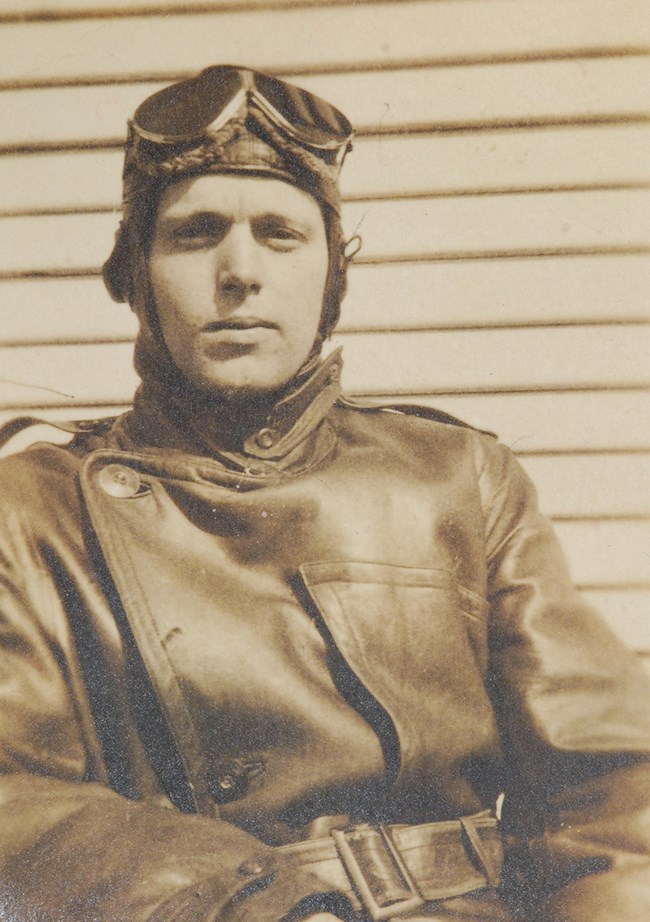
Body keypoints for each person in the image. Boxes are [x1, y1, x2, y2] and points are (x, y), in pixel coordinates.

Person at [0, 65, 649, 922]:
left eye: (280, 234)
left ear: (331, 278)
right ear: (134, 276)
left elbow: (606, 795)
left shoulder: (454, 476)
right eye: (195, 234)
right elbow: (14, 802)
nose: (239, 272)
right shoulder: (31, 507)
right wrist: (254, 902)